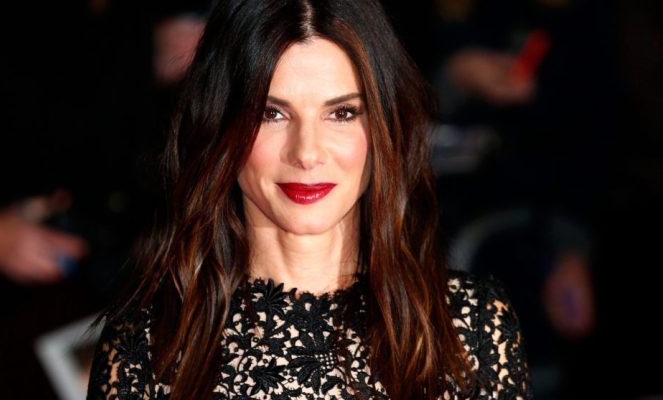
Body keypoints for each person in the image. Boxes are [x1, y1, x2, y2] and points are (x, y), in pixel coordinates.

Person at [86, 0, 532, 399]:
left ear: (384, 126)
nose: (307, 153)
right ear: (221, 125)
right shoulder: (146, 347)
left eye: (341, 113)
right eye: (271, 113)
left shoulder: (472, 326)